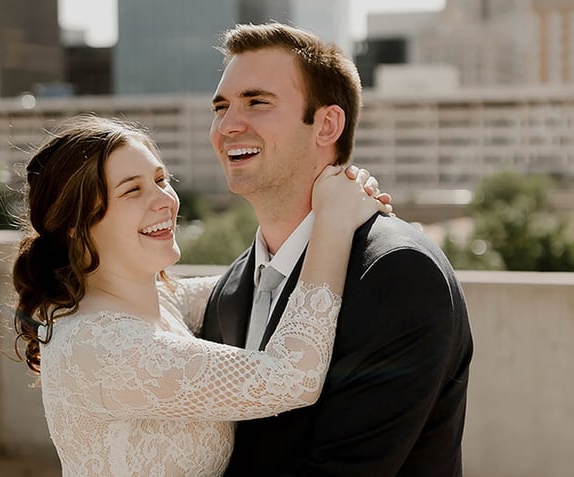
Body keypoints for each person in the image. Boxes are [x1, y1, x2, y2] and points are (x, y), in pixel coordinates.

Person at [11, 115, 391, 476]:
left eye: (161, 179)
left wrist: (328, 211)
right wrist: (333, 223)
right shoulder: (101, 346)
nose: (163, 200)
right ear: (76, 225)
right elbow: (293, 376)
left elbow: (262, 281)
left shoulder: (159, 301)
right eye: (132, 190)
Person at [202, 23, 474, 476]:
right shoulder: (229, 288)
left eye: (256, 102)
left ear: (326, 124)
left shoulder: (399, 273)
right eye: (221, 106)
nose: (228, 125)